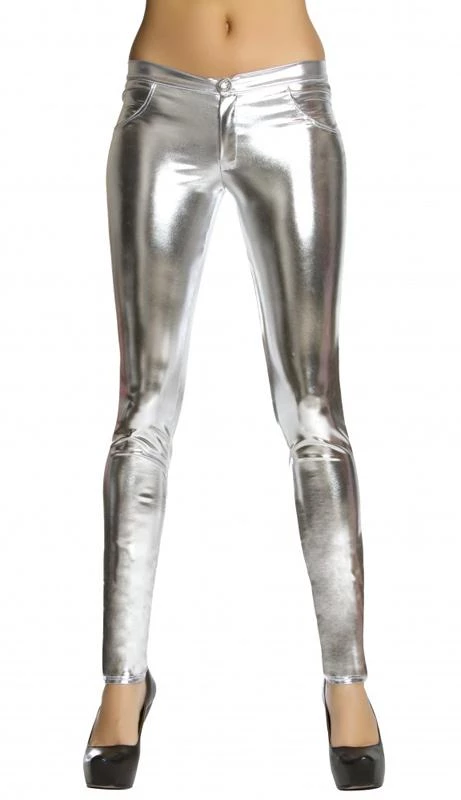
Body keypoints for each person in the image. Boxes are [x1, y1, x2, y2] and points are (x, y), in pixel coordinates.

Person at [83, 0, 385, 790]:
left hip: (289, 103)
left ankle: (346, 679)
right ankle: (123, 680)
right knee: (142, 407)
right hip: (161, 103)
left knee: (313, 408)